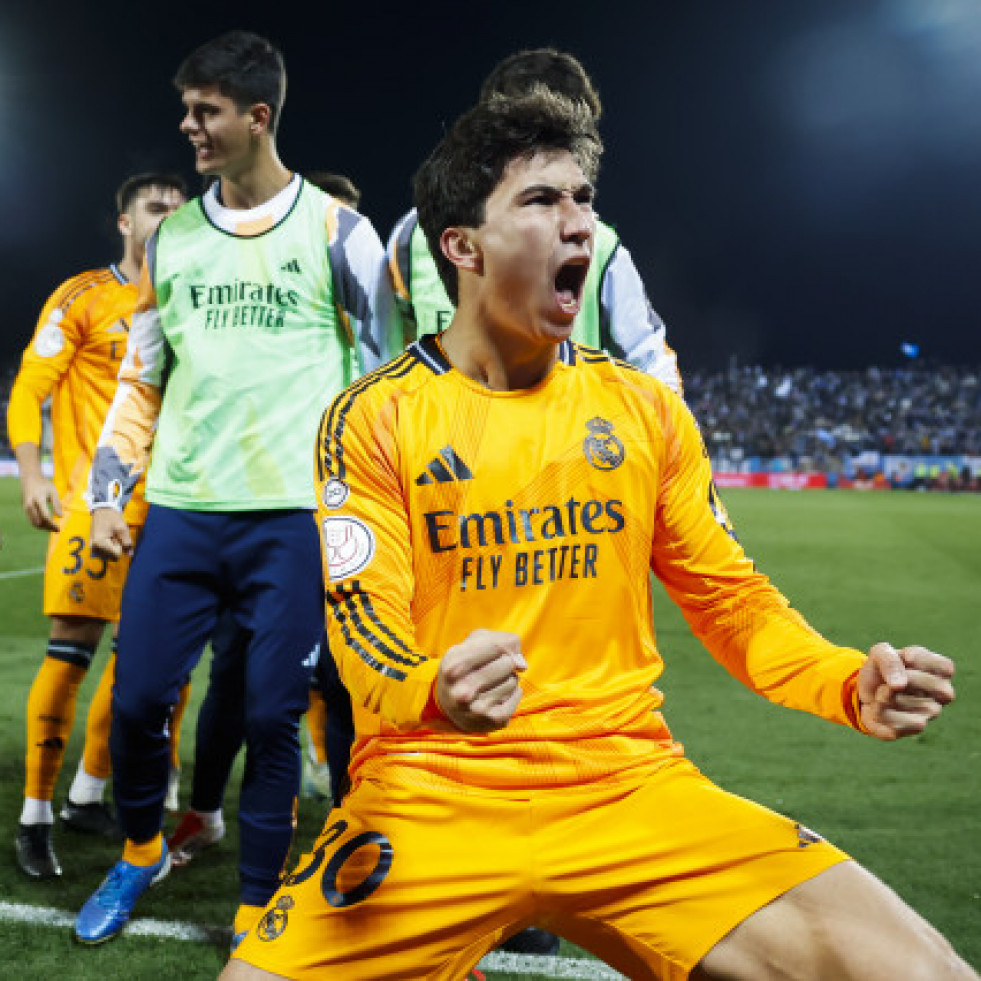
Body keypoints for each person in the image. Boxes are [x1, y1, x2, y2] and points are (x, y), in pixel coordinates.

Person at [224, 90, 974, 980]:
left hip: (627, 786)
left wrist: (848, 682)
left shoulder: (643, 410)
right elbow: (360, 632)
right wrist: (435, 689)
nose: (579, 223)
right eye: (542, 201)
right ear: (462, 245)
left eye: (583, 199)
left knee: (922, 974)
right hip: (433, 791)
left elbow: (732, 602)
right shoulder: (373, 416)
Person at [74, 30, 397, 946]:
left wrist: (371, 504)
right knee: (138, 701)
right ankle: (139, 849)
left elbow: (382, 374)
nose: (188, 126)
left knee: (270, 714)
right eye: (187, 109)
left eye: (205, 109)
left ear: (258, 117)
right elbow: (141, 378)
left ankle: (259, 905)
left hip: (293, 517)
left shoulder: (339, 232)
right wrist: (109, 491)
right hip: (181, 511)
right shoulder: (174, 239)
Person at [6, 172, 186, 879]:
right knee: (70, 651)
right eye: (153, 206)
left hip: (171, 509)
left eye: (177, 207)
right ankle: (35, 815)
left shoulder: (186, 297)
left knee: (151, 666)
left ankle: (89, 791)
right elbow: (29, 386)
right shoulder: (84, 295)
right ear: (124, 221)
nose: (167, 216)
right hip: (92, 505)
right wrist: (33, 473)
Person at [388, 47, 681, 394]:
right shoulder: (412, 239)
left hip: (562, 442)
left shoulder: (599, 246)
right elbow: (387, 354)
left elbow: (653, 360)